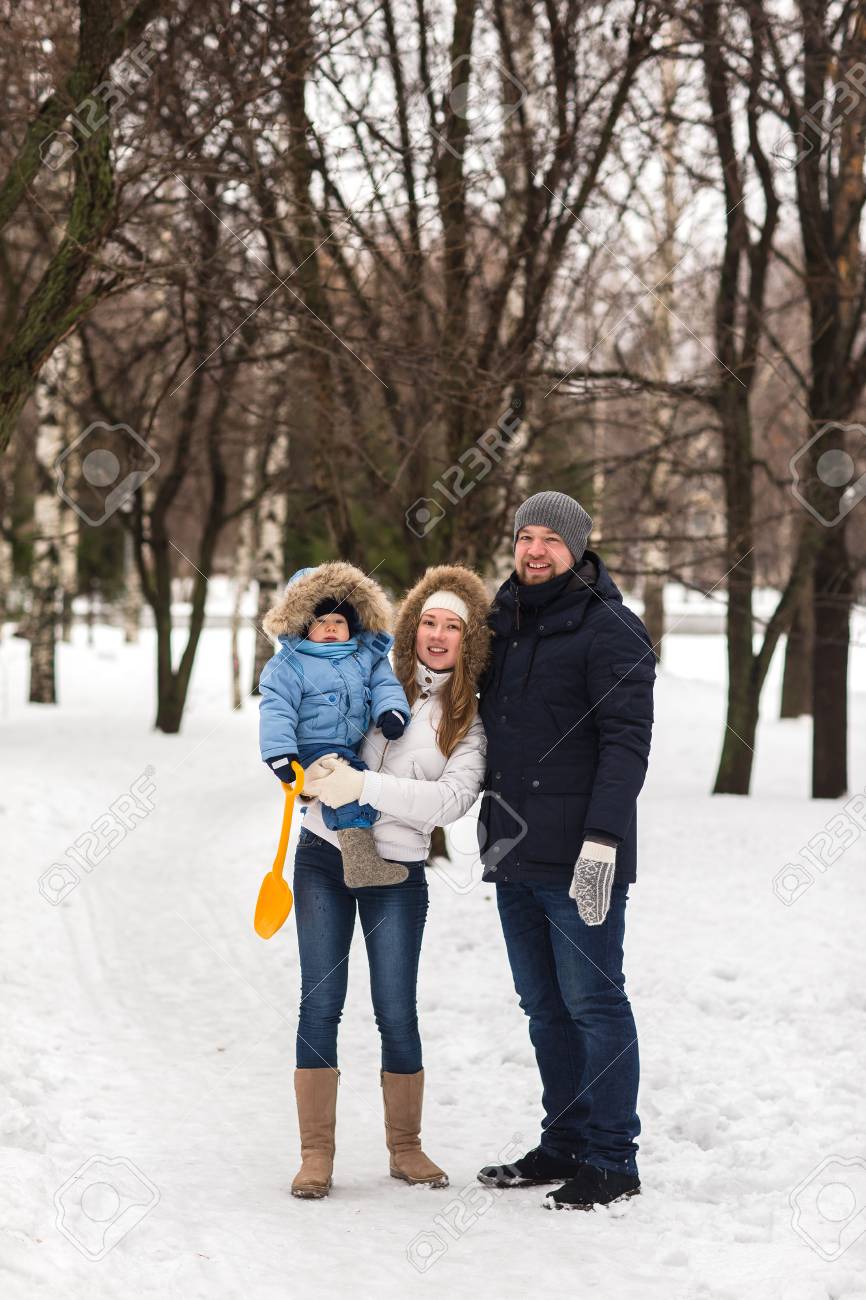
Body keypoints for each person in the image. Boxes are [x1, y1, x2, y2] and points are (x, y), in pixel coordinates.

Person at [285, 564, 492, 1199]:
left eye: (452, 626)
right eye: (428, 620)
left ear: (469, 639)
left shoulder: (471, 723)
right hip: (323, 854)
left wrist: (365, 788)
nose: (437, 634)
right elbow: (302, 674)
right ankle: (316, 1154)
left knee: (395, 1010)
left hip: (396, 873)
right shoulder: (369, 674)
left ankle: (406, 1147)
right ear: (411, 626)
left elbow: (450, 801)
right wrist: (307, 771)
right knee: (320, 1003)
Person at [474, 490, 655, 1210]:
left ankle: (614, 1159)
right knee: (543, 1006)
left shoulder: (612, 629)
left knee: (594, 1005)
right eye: (525, 536)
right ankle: (567, 1140)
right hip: (512, 850)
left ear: (578, 548)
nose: (535, 549)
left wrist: (604, 840)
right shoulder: (501, 624)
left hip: (583, 855)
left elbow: (626, 745)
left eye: (551, 538)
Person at [258, 562, 412, 887]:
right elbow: (277, 709)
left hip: (350, 743)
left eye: (338, 621)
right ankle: (361, 864)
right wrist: (280, 754)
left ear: (352, 625)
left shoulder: (365, 656)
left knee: (357, 783)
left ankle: (351, 855)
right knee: (347, 789)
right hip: (313, 747)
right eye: (321, 621)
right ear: (302, 625)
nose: (330, 628)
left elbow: (385, 685)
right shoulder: (290, 664)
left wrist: (392, 712)